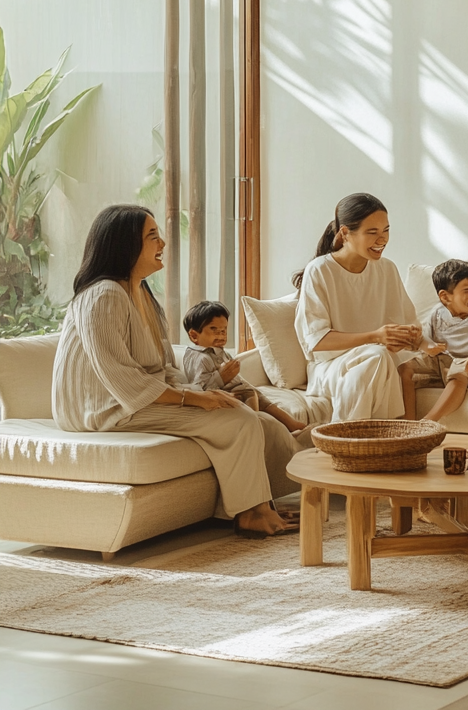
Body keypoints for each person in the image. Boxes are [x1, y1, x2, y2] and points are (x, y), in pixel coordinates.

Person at [52, 205, 301, 538]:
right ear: (125, 245)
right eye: (153, 236)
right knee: (238, 420)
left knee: (259, 419)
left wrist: (202, 393)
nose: (163, 244)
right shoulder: (103, 295)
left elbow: (163, 367)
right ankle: (249, 514)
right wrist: (192, 399)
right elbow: (121, 378)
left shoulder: (140, 293)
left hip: (134, 400)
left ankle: (261, 506)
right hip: (104, 408)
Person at [293, 193, 423, 422]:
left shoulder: (387, 269)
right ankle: (362, 438)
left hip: (377, 364)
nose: (382, 239)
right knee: (377, 355)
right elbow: (317, 341)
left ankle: (346, 438)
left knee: (379, 357)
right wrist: (376, 336)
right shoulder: (320, 270)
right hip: (331, 368)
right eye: (372, 232)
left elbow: (406, 328)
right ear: (345, 233)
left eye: (386, 230)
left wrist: (410, 337)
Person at [182, 300, 307, 435]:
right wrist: (221, 378)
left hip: (236, 391)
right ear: (194, 335)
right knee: (250, 395)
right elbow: (199, 390)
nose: (221, 335)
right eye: (214, 330)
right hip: (222, 397)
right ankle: (255, 426)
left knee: (258, 396)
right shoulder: (200, 358)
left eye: (224, 330)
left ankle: (291, 424)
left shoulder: (221, 352)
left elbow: (236, 379)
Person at [414, 259, 468, 423]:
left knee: (458, 374)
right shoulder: (437, 313)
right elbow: (425, 338)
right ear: (445, 297)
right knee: (405, 368)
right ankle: (407, 421)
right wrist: (429, 347)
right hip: (447, 362)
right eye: (467, 291)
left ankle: (428, 422)